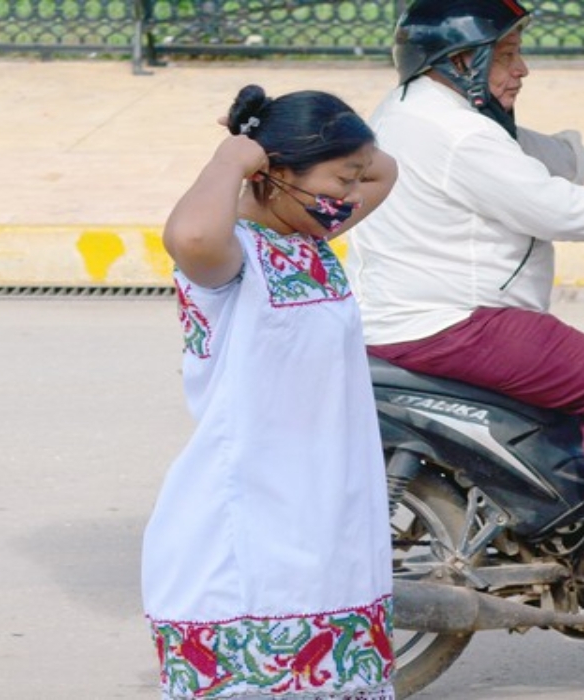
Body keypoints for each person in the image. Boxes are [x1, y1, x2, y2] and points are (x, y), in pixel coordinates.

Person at [346, 0, 584, 601]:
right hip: (454, 320)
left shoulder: (417, 107)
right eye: (506, 55)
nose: (521, 70)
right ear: (462, 60)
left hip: (408, 309)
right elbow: (555, 208)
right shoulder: (460, 134)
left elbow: (519, 150)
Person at [142, 84, 399, 699]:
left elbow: (387, 171)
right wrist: (232, 158)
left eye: (353, 180)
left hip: (325, 515)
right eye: (342, 179)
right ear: (276, 176)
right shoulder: (232, 261)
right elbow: (192, 237)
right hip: (248, 527)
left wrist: (350, 156)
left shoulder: (307, 241)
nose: (352, 196)